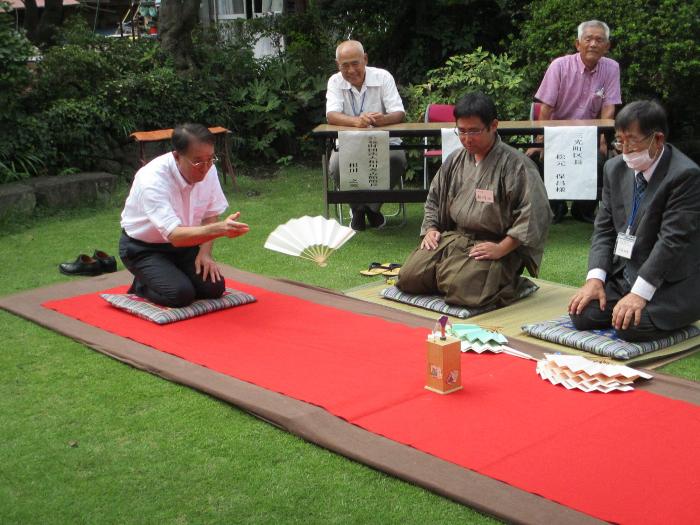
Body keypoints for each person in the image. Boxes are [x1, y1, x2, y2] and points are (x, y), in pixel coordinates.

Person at [397, 93, 551, 308]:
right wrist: (431, 228)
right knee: (408, 278)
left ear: (493, 125)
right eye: (462, 131)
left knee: (461, 290)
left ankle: (513, 284)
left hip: (496, 243)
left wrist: (502, 248)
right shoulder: (456, 159)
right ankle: (451, 272)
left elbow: (534, 215)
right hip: (455, 237)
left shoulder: (517, 165)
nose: (467, 138)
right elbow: (434, 198)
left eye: (474, 131)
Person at [569, 100, 700, 341]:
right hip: (625, 273)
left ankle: (680, 314)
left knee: (629, 328)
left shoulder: (685, 175)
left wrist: (640, 293)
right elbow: (604, 230)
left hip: (668, 283)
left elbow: (672, 241)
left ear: (657, 139)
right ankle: (624, 298)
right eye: (620, 140)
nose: (625, 149)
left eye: (632, 140)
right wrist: (595, 279)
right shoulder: (614, 169)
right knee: (582, 314)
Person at [119, 123, 249, 307]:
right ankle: (142, 285)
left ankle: (171, 273)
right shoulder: (152, 179)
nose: (205, 167)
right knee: (180, 295)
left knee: (214, 288)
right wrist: (220, 229)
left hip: (186, 245)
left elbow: (210, 213)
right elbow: (176, 236)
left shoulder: (208, 168)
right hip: (143, 249)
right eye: (197, 162)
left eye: (210, 159)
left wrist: (205, 254)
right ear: (177, 156)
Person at [529, 20, 622, 223]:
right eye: (588, 39)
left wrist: (603, 141)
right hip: (556, 134)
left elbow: (608, 108)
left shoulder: (612, 68)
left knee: (601, 161)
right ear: (577, 43)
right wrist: (541, 140)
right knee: (540, 160)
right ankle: (556, 207)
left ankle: (584, 210)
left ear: (607, 46)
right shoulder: (559, 66)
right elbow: (546, 109)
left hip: (590, 135)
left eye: (599, 40)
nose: (593, 44)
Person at [326, 39, 407, 231]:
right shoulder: (335, 81)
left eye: (355, 63)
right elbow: (331, 115)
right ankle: (358, 209)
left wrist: (381, 120)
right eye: (345, 66)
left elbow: (399, 112)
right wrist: (356, 122)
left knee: (397, 159)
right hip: (348, 144)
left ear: (365, 59)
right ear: (338, 65)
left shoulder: (383, 77)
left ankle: (372, 208)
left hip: (385, 141)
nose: (351, 70)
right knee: (337, 165)